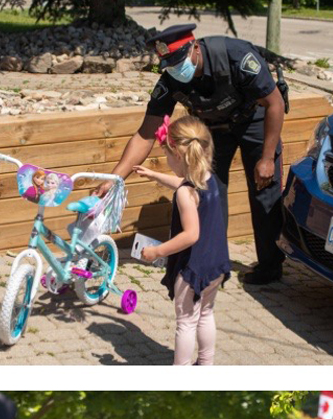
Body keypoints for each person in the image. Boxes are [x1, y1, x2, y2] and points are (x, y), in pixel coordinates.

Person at [101, 24, 288, 285]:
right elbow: (146, 133)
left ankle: (270, 268)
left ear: (195, 47)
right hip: (213, 128)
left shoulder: (236, 56)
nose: (177, 69)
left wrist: (267, 158)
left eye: (180, 61)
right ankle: (215, 268)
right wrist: (114, 179)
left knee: (264, 191)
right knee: (208, 192)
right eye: (170, 64)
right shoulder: (171, 78)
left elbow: (275, 103)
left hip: (255, 119)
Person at [136, 115, 232, 365]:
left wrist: (157, 251)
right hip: (216, 264)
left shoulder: (185, 194)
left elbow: (191, 235)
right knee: (206, 313)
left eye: (168, 157)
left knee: (186, 321)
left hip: (193, 269)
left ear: (178, 155)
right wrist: (155, 176)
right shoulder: (210, 179)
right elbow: (183, 182)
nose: (167, 162)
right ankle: (206, 364)